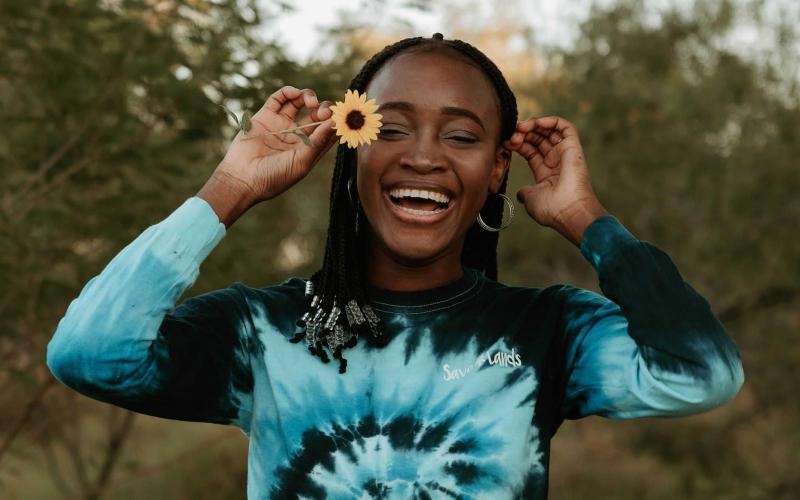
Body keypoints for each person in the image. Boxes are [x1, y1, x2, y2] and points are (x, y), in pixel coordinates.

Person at [46, 34, 745, 499]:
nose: (424, 157)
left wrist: (588, 221)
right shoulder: (266, 330)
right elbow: (90, 353)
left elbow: (702, 375)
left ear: (498, 166)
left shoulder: (547, 330)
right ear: (350, 149)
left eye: (464, 136)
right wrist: (228, 191)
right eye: (393, 127)